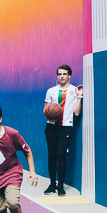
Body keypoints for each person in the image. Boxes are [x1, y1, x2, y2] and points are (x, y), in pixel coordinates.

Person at [43, 64, 83, 197]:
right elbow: (45, 110)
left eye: (64, 74)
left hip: (66, 127)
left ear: (69, 75)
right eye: (59, 74)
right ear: (57, 76)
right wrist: (50, 114)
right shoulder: (51, 91)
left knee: (61, 154)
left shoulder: (74, 90)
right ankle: (52, 184)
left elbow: (77, 113)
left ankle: (60, 186)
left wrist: (79, 96)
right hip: (51, 127)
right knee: (51, 155)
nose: (62, 76)